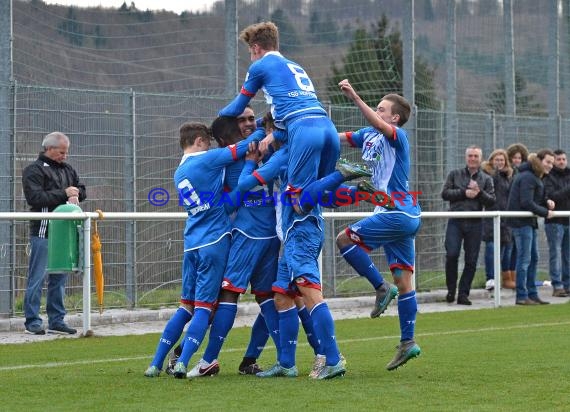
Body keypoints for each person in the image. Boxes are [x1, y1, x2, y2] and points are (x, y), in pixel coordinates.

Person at [220, 21, 346, 380]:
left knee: (300, 204)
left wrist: (228, 133)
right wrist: (261, 135)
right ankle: (287, 363)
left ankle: (333, 358)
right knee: (281, 295)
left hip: (300, 230)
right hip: (323, 127)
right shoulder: (295, 69)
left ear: (256, 48)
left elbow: (238, 108)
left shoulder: (283, 148)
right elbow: (272, 125)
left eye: (249, 51)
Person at [144, 119, 261, 378]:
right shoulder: (206, 160)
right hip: (214, 242)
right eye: (207, 143)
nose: (210, 147)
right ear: (199, 142)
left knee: (185, 307)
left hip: (191, 243)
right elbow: (242, 148)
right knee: (204, 308)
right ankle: (184, 362)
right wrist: (264, 127)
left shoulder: (179, 171)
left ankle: (155, 364)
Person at [334, 80, 422, 371]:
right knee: (404, 281)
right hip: (401, 216)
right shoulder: (367, 135)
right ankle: (408, 342)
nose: (376, 111)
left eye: (381, 109)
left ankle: (380, 289)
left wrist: (355, 96)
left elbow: (377, 124)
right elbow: (338, 138)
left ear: (394, 117)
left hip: (397, 211)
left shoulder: (398, 135)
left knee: (344, 240)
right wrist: (305, 135)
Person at [21, 131, 86, 335]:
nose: (64, 156)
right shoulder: (34, 170)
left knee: (59, 277)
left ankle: (56, 320)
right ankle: (32, 321)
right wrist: (64, 194)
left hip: (63, 233)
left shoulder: (68, 169)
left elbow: (81, 189)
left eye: (66, 152)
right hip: (43, 230)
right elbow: (35, 198)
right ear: (49, 149)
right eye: (61, 152)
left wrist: (77, 194)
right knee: (37, 277)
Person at [441, 146, 495, 305]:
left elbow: (492, 201)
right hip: (455, 221)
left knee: (471, 260)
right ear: (466, 158)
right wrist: (464, 192)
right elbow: (444, 194)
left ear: (480, 158)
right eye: (470, 156)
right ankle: (451, 290)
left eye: (476, 156)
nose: (472, 159)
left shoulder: (486, 179)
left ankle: (463, 293)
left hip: (475, 222)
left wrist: (479, 193)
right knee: (451, 254)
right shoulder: (454, 174)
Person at [506, 149, 555, 305]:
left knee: (533, 258)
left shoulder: (534, 176)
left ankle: (532, 293)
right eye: (548, 162)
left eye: (551, 163)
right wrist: (545, 212)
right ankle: (521, 295)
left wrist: (546, 202)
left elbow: (534, 199)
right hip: (521, 223)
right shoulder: (528, 177)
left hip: (529, 223)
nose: (550, 166)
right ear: (539, 161)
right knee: (525, 259)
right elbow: (526, 202)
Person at [481, 149, 515, 291]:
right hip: (491, 217)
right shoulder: (487, 175)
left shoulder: (508, 176)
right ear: (491, 161)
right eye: (497, 160)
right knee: (491, 248)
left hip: (506, 218)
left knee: (504, 250)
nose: (499, 162)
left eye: (502, 160)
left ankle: (501, 278)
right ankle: (490, 278)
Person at [543, 149, 570, 297]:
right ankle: (557, 285)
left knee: (568, 255)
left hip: (568, 220)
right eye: (558, 159)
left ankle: (568, 284)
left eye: (563, 159)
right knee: (556, 254)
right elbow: (553, 196)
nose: (561, 162)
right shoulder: (548, 177)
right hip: (554, 222)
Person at [504, 143, 529, 282]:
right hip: (508, 214)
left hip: (519, 215)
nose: (517, 160)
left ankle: (514, 276)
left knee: (516, 249)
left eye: (519, 158)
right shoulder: (507, 173)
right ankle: (505, 276)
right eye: (514, 158)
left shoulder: (524, 174)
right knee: (508, 247)